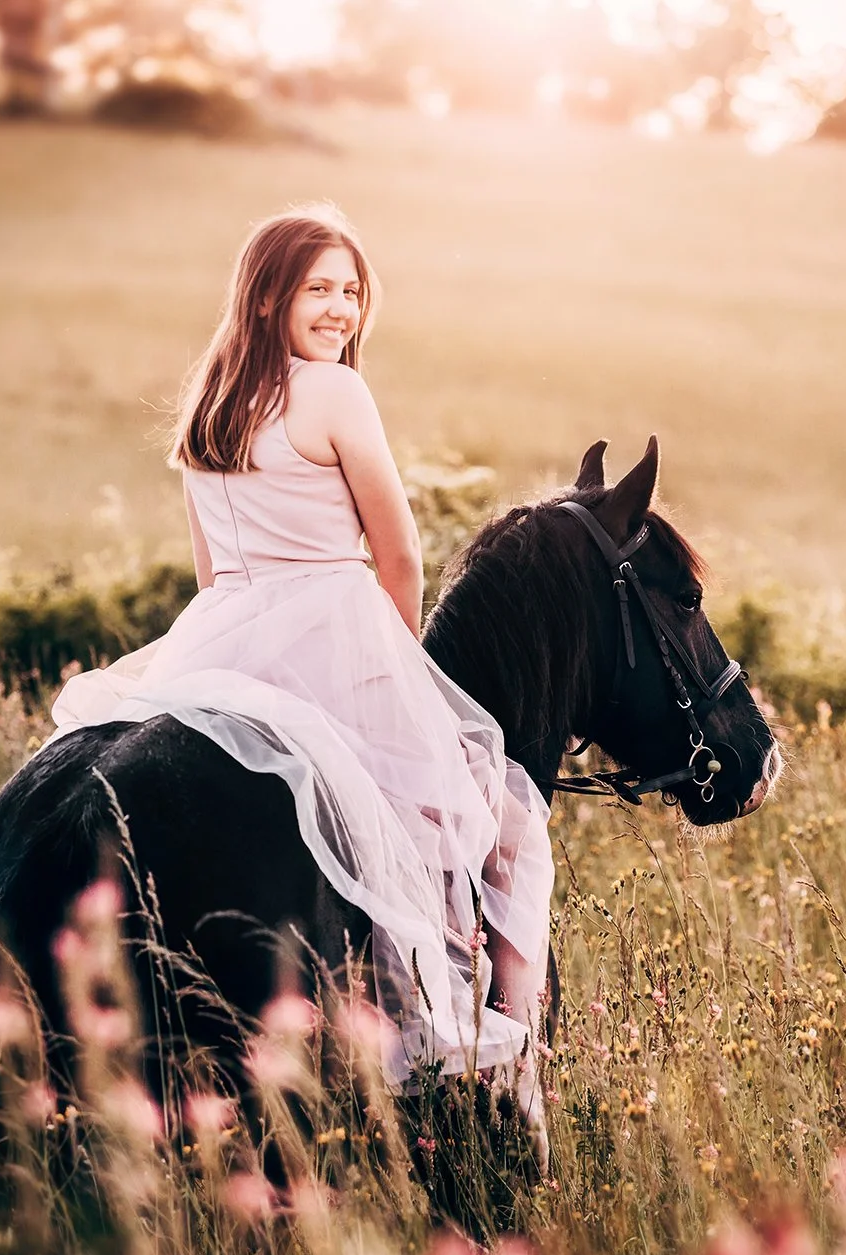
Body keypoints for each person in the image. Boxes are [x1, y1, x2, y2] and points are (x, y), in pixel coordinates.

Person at [45, 206, 553, 1104]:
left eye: (352, 291)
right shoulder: (333, 392)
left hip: (224, 629)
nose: (340, 311)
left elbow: (211, 567)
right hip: (339, 624)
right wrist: (399, 684)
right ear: (270, 291)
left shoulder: (210, 397)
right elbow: (398, 556)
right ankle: (489, 1052)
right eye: (319, 288)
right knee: (498, 821)